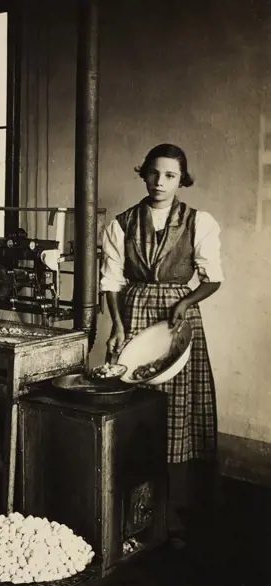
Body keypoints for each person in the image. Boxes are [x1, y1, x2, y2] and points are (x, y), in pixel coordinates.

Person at [100, 144, 224, 546]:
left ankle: (169, 512)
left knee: (174, 412)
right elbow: (112, 281)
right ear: (144, 175)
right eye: (154, 173)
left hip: (175, 319)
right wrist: (117, 325)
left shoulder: (199, 222)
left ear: (181, 179)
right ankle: (126, 509)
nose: (160, 182)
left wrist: (185, 302)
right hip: (134, 313)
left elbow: (212, 277)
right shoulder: (121, 224)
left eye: (170, 175)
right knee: (132, 407)